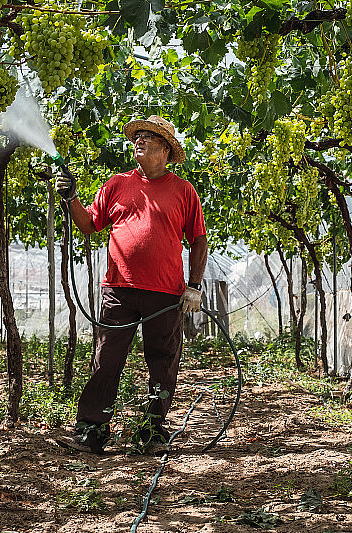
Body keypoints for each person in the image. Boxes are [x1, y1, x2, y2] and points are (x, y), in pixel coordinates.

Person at [55, 115, 208, 454]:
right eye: (137, 136)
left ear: (166, 149)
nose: (138, 141)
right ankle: (91, 432)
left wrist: (194, 286)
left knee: (163, 361)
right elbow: (89, 224)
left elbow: (198, 240)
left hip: (166, 294)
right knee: (106, 359)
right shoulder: (117, 184)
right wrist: (71, 198)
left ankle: (152, 432)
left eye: (148, 137)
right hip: (119, 288)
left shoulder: (184, 191)